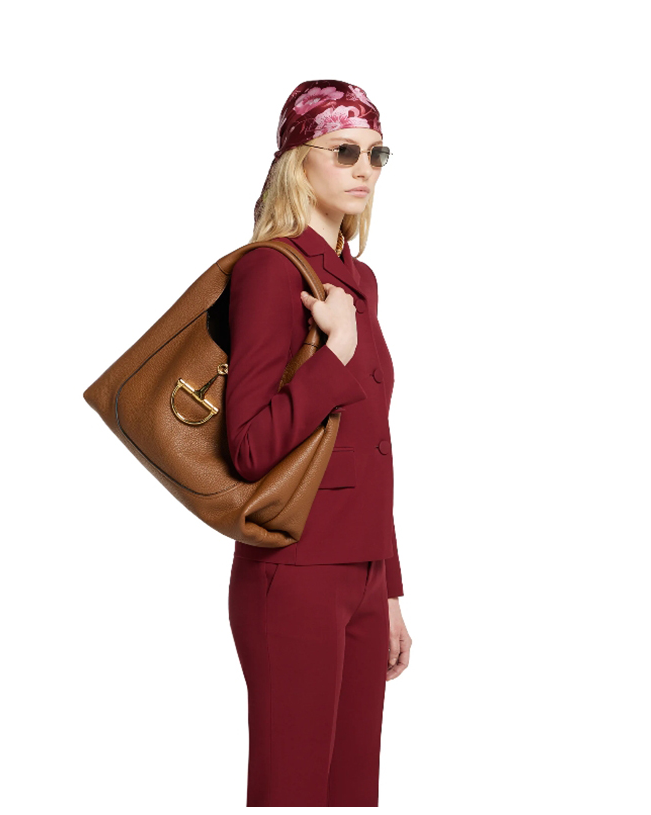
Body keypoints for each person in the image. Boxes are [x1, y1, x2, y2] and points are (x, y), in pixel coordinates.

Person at [225, 79, 412, 807]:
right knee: (293, 792)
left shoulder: (358, 279)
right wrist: (334, 354)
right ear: (297, 161)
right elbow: (248, 445)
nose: (365, 168)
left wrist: (387, 590)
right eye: (344, 151)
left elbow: (373, 445)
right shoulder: (270, 269)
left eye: (376, 153)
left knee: (352, 793)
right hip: (294, 569)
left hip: (361, 571)